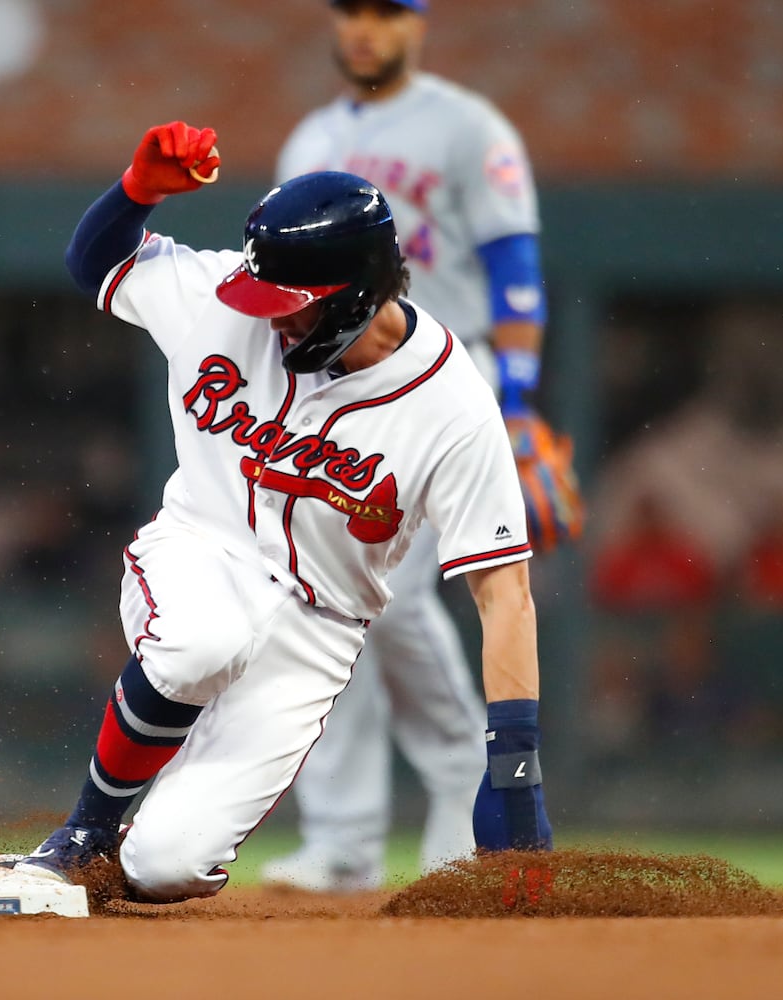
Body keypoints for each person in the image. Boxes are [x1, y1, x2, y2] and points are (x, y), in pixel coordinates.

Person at [3, 122, 550, 903]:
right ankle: (82, 831)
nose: (269, 317)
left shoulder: (453, 405)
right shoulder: (220, 302)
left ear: (362, 295)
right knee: (201, 643)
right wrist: (140, 188)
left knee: (165, 867)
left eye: (292, 305)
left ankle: (130, 841)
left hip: (316, 628)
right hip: (200, 550)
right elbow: (97, 261)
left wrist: (516, 769)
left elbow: (506, 593)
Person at [259, 0, 553, 890]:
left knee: (395, 604)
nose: (365, 28)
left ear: (419, 25)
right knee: (317, 604)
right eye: (351, 10)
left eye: (388, 11)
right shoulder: (310, 139)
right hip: (333, 398)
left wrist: (520, 401)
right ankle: (345, 841)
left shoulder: (467, 127)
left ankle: (469, 778)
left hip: (439, 390)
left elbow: (515, 268)